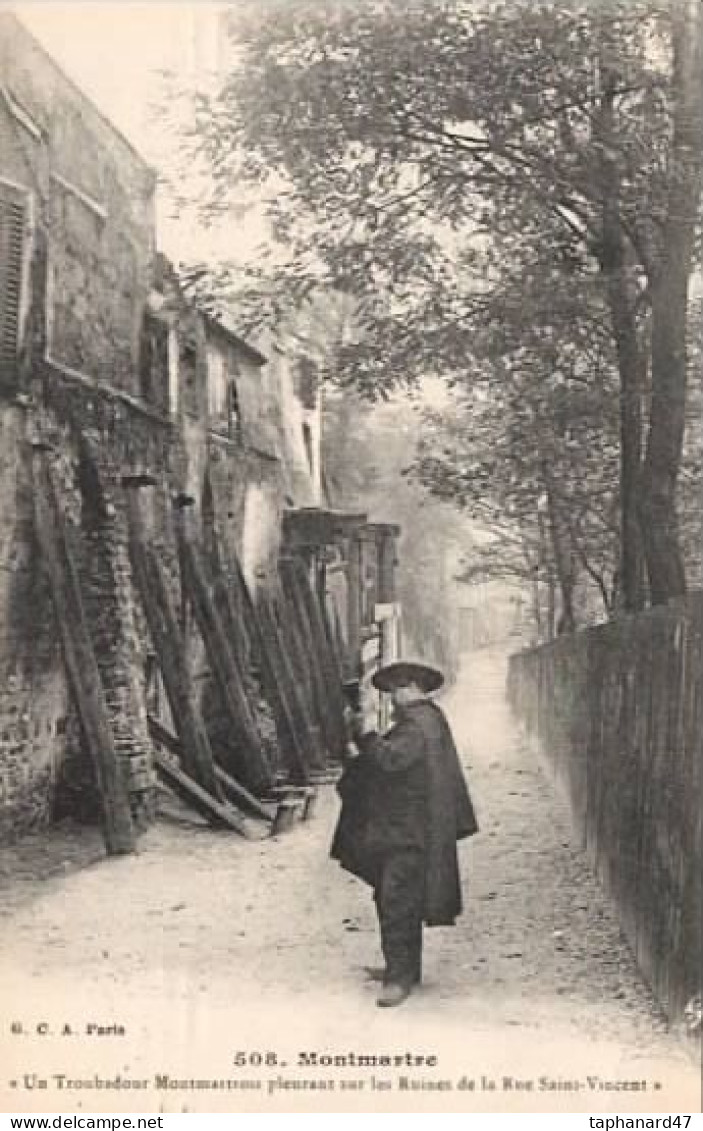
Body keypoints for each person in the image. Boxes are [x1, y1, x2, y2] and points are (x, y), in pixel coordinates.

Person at [330, 660, 479, 1007]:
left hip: (408, 832)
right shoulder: (427, 721)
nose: (392, 699)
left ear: (410, 687)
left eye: (395, 691)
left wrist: (365, 734)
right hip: (408, 827)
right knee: (398, 897)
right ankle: (405, 969)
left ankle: (399, 979)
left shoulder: (417, 726)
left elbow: (390, 762)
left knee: (396, 900)